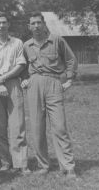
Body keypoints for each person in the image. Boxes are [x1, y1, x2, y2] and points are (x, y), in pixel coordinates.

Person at [21, 11, 77, 178]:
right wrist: (25, 79)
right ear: (29, 27)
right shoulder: (26, 45)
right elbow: (21, 66)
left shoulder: (57, 40)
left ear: (44, 24)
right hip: (34, 84)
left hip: (53, 82)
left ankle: (68, 166)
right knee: (37, 127)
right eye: (33, 23)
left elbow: (71, 60)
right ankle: (43, 164)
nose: (36, 26)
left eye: (39, 22)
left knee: (59, 126)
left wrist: (69, 79)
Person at [0, 12, 30, 174]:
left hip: (13, 85)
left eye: (4, 22)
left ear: (8, 24)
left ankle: (21, 163)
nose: (1, 25)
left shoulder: (17, 43)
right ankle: (5, 162)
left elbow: (21, 65)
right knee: (0, 127)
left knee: (17, 125)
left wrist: (3, 79)